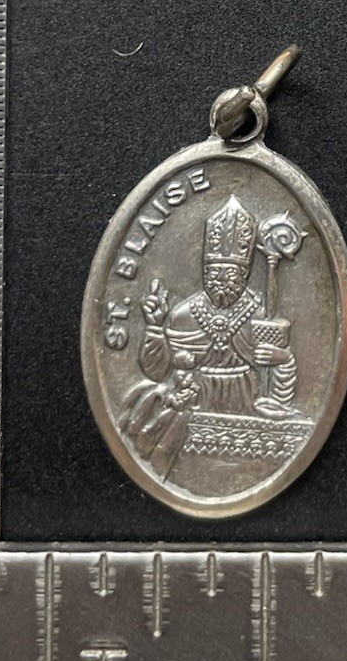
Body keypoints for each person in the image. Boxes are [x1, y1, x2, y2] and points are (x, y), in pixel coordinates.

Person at [122, 197, 298, 475]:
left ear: (245, 273)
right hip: (195, 402)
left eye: (230, 273)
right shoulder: (183, 314)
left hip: (246, 404)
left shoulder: (260, 314)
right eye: (214, 272)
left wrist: (282, 359)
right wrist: (155, 328)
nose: (221, 279)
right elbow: (157, 372)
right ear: (204, 271)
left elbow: (279, 377)